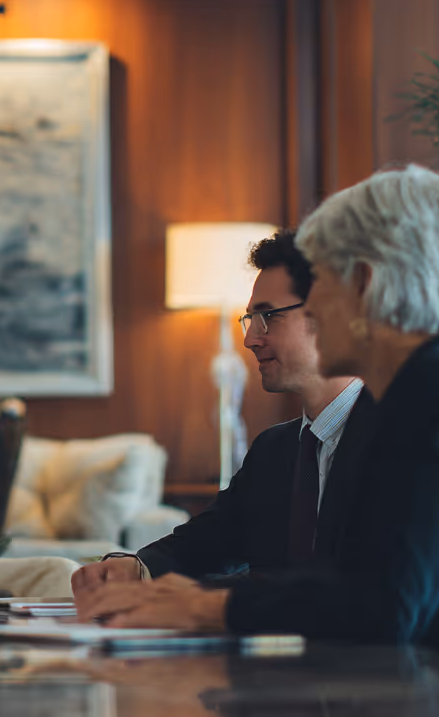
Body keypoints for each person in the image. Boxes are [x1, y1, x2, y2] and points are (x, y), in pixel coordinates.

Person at [74, 166, 439, 690]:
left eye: (321, 283)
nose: (313, 307)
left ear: (363, 283)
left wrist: (206, 607)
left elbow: (385, 607)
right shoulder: (426, 387)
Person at [72, 232, 374, 595]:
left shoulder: (397, 440)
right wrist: (135, 568)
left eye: (268, 317)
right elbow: (210, 539)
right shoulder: (274, 449)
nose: (250, 339)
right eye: (251, 319)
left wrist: (200, 604)